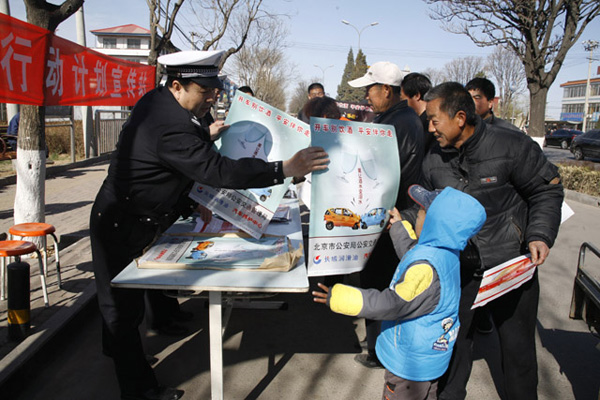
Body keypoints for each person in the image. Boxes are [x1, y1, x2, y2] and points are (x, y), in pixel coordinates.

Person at [90, 49, 329, 400]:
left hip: (146, 213)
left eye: (215, 90)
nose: (212, 97)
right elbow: (216, 170)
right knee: (120, 309)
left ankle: (139, 337)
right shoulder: (168, 124)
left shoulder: (164, 104)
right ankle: (137, 387)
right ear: (177, 86)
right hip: (120, 219)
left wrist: (203, 142)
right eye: (205, 91)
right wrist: (284, 168)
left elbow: (180, 155)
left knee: (136, 296)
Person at [422, 82, 563, 400]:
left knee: (517, 352)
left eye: (434, 120)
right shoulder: (433, 157)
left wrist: (539, 235)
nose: (430, 128)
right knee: (452, 347)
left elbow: (546, 188)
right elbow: (424, 204)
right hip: (459, 270)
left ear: (460, 118)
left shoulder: (511, 144)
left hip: (510, 266)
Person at [313, 185, 486, 400]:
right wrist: (398, 226)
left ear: (434, 223)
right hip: (429, 358)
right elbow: (413, 253)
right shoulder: (446, 252)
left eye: (421, 213)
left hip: (410, 367)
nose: (417, 217)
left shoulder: (426, 269)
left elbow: (391, 303)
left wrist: (339, 297)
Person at [348, 61, 425, 368]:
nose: (367, 95)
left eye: (370, 88)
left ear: (386, 90)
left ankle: (379, 351)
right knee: (383, 281)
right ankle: (380, 346)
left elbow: (384, 173)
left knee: (379, 283)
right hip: (392, 214)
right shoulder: (398, 118)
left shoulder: (397, 123)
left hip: (389, 216)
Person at [400, 73, 434, 149]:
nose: (401, 103)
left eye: (402, 99)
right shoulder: (419, 120)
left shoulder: (429, 125)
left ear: (416, 95)